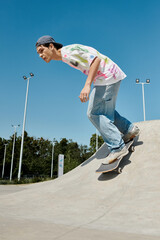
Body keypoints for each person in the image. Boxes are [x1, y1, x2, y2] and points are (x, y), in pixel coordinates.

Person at [36, 35, 139, 164]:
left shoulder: (69, 52)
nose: (40, 55)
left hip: (106, 77)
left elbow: (95, 60)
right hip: (109, 76)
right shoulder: (65, 56)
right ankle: (129, 129)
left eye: (41, 51)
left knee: (93, 113)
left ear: (51, 46)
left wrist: (87, 85)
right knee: (105, 112)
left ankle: (117, 147)